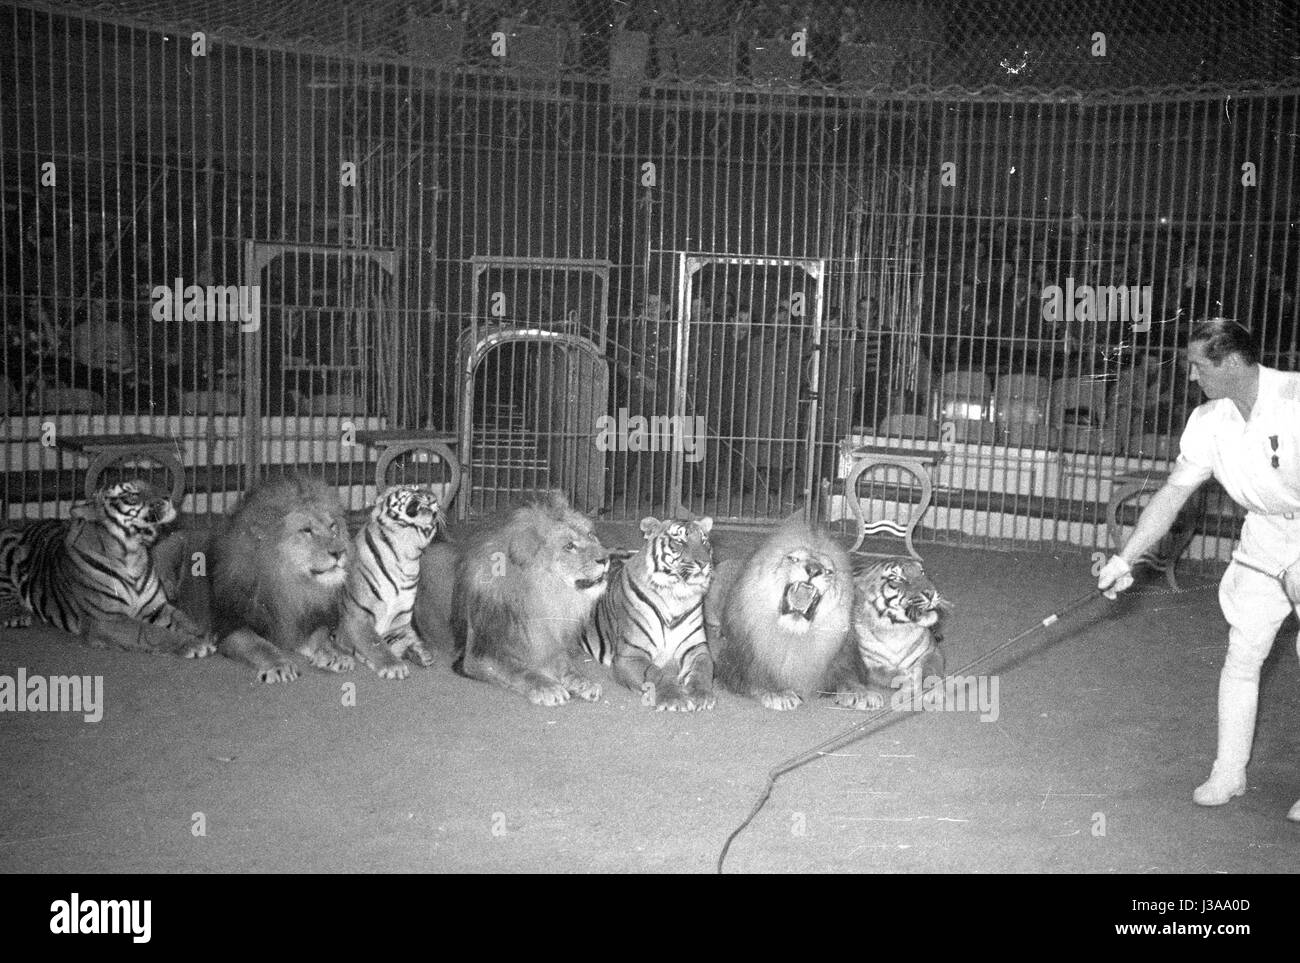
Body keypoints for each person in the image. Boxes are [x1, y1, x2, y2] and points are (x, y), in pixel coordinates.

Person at [1097, 318, 1300, 822]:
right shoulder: (1208, 419)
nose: (1190, 376)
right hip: (1264, 539)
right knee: (1242, 654)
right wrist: (1127, 558)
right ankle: (1229, 772)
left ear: (1233, 363)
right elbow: (1171, 496)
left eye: (1198, 365)